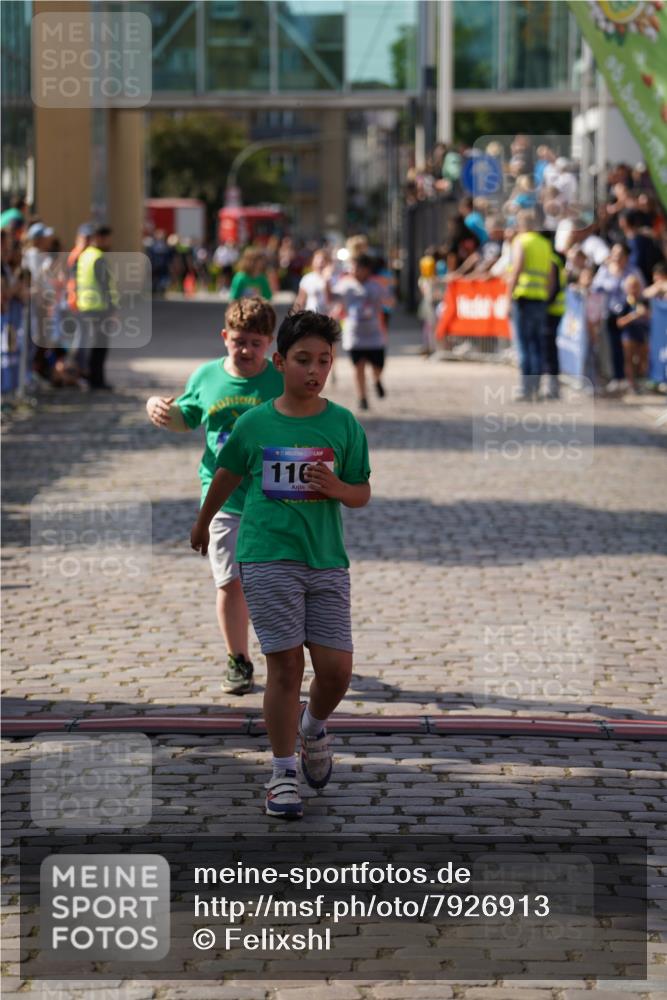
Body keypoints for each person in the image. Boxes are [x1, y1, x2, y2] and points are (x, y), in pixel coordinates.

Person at [190, 310, 371, 819]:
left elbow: (361, 491)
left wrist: (340, 489)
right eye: (302, 360)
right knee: (285, 667)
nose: (314, 370)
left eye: (324, 361)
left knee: (336, 672)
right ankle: (282, 773)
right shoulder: (256, 422)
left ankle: (313, 727)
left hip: (326, 559)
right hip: (268, 554)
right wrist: (204, 522)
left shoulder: (343, 424)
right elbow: (226, 474)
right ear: (280, 362)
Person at [146, 298, 282, 695]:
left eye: (256, 343)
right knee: (230, 582)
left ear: (270, 344)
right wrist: (154, 406)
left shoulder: (278, 377)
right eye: (239, 341)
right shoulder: (207, 377)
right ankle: (238, 659)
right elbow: (183, 417)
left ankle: (284, 653)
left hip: (272, 497)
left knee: (275, 580)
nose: (247, 350)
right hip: (222, 497)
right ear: (225, 337)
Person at [330, 253, 387, 410]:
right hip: (354, 334)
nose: (352, 270)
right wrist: (326, 279)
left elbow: (389, 302)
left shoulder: (376, 285)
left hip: (374, 334)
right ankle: (362, 397)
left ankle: (377, 380)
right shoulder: (345, 284)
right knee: (358, 366)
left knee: (378, 366)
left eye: (356, 267)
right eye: (351, 267)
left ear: (366, 269)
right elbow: (331, 297)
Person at [506, 210, 552, 401]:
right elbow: (550, 275)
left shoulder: (521, 241)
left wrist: (508, 297)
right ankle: (536, 387)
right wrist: (546, 296)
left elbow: (517, 269)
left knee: (524, 344)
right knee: (537, 344)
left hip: (523, 298)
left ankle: (525, 388)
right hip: (540, 298)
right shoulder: (544, 243)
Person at [76, 224, 118, 390]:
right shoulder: (98, 257)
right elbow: (104, 286)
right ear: (99, 238)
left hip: (85, 307)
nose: (109, 242)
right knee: (100, 346)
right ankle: (97, 381)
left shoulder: (85, 255)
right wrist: (112, 309)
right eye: (107, 239)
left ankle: (93, 379)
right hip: (99, 308)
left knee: (92, 345)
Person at [616, 273, 650, 393]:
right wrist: (634, 316)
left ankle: (639, 381)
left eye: (636, 286)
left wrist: (645, 314)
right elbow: (619, 322)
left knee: (642, 360)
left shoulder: (643, 301)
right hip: (629, 335)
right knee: (629, 359)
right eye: (631, 286)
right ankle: (631, 384)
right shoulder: (624, 302)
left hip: (641, 334)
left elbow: (651, 317)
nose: (634, 289)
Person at [294, 248, 331, 313]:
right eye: (317, 261)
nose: (320, 264)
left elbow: (330, 299)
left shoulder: (331, 278)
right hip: (311, 316)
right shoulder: (307, 278)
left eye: (322, 261)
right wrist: (293, 316)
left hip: (327, 317)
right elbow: (300, 299)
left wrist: (326, 281)